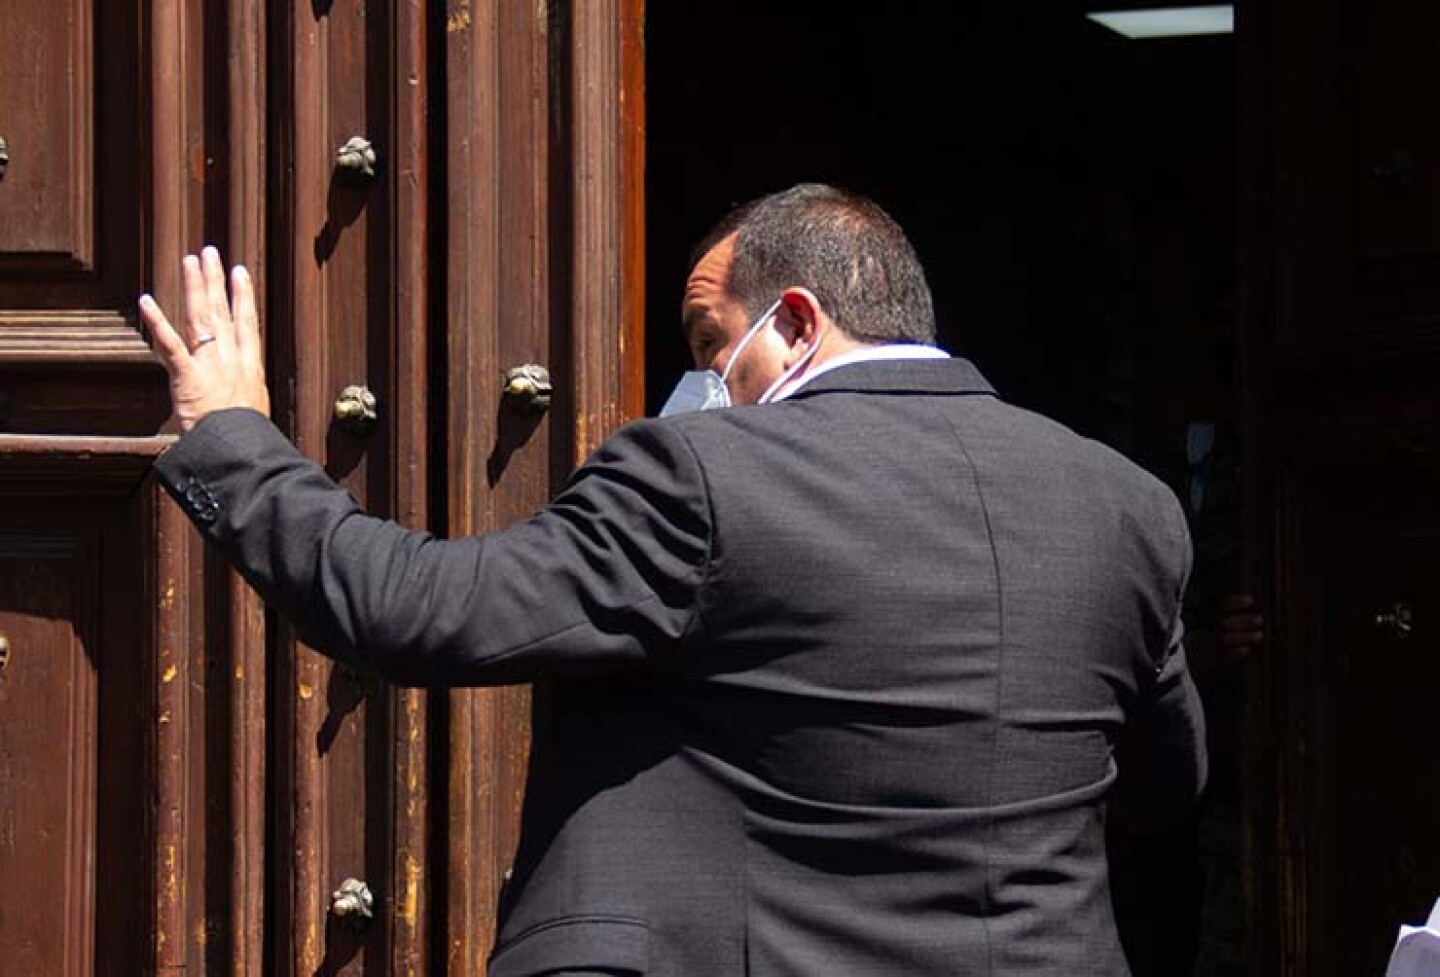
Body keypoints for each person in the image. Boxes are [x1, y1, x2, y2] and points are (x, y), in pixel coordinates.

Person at [140, 183, 1207, 976]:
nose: (704, 385)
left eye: (710, 344)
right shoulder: (1129, 504)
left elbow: (411, 609)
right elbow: (1161, 783)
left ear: (794, 322)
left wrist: (237, 439)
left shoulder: (704, 472)